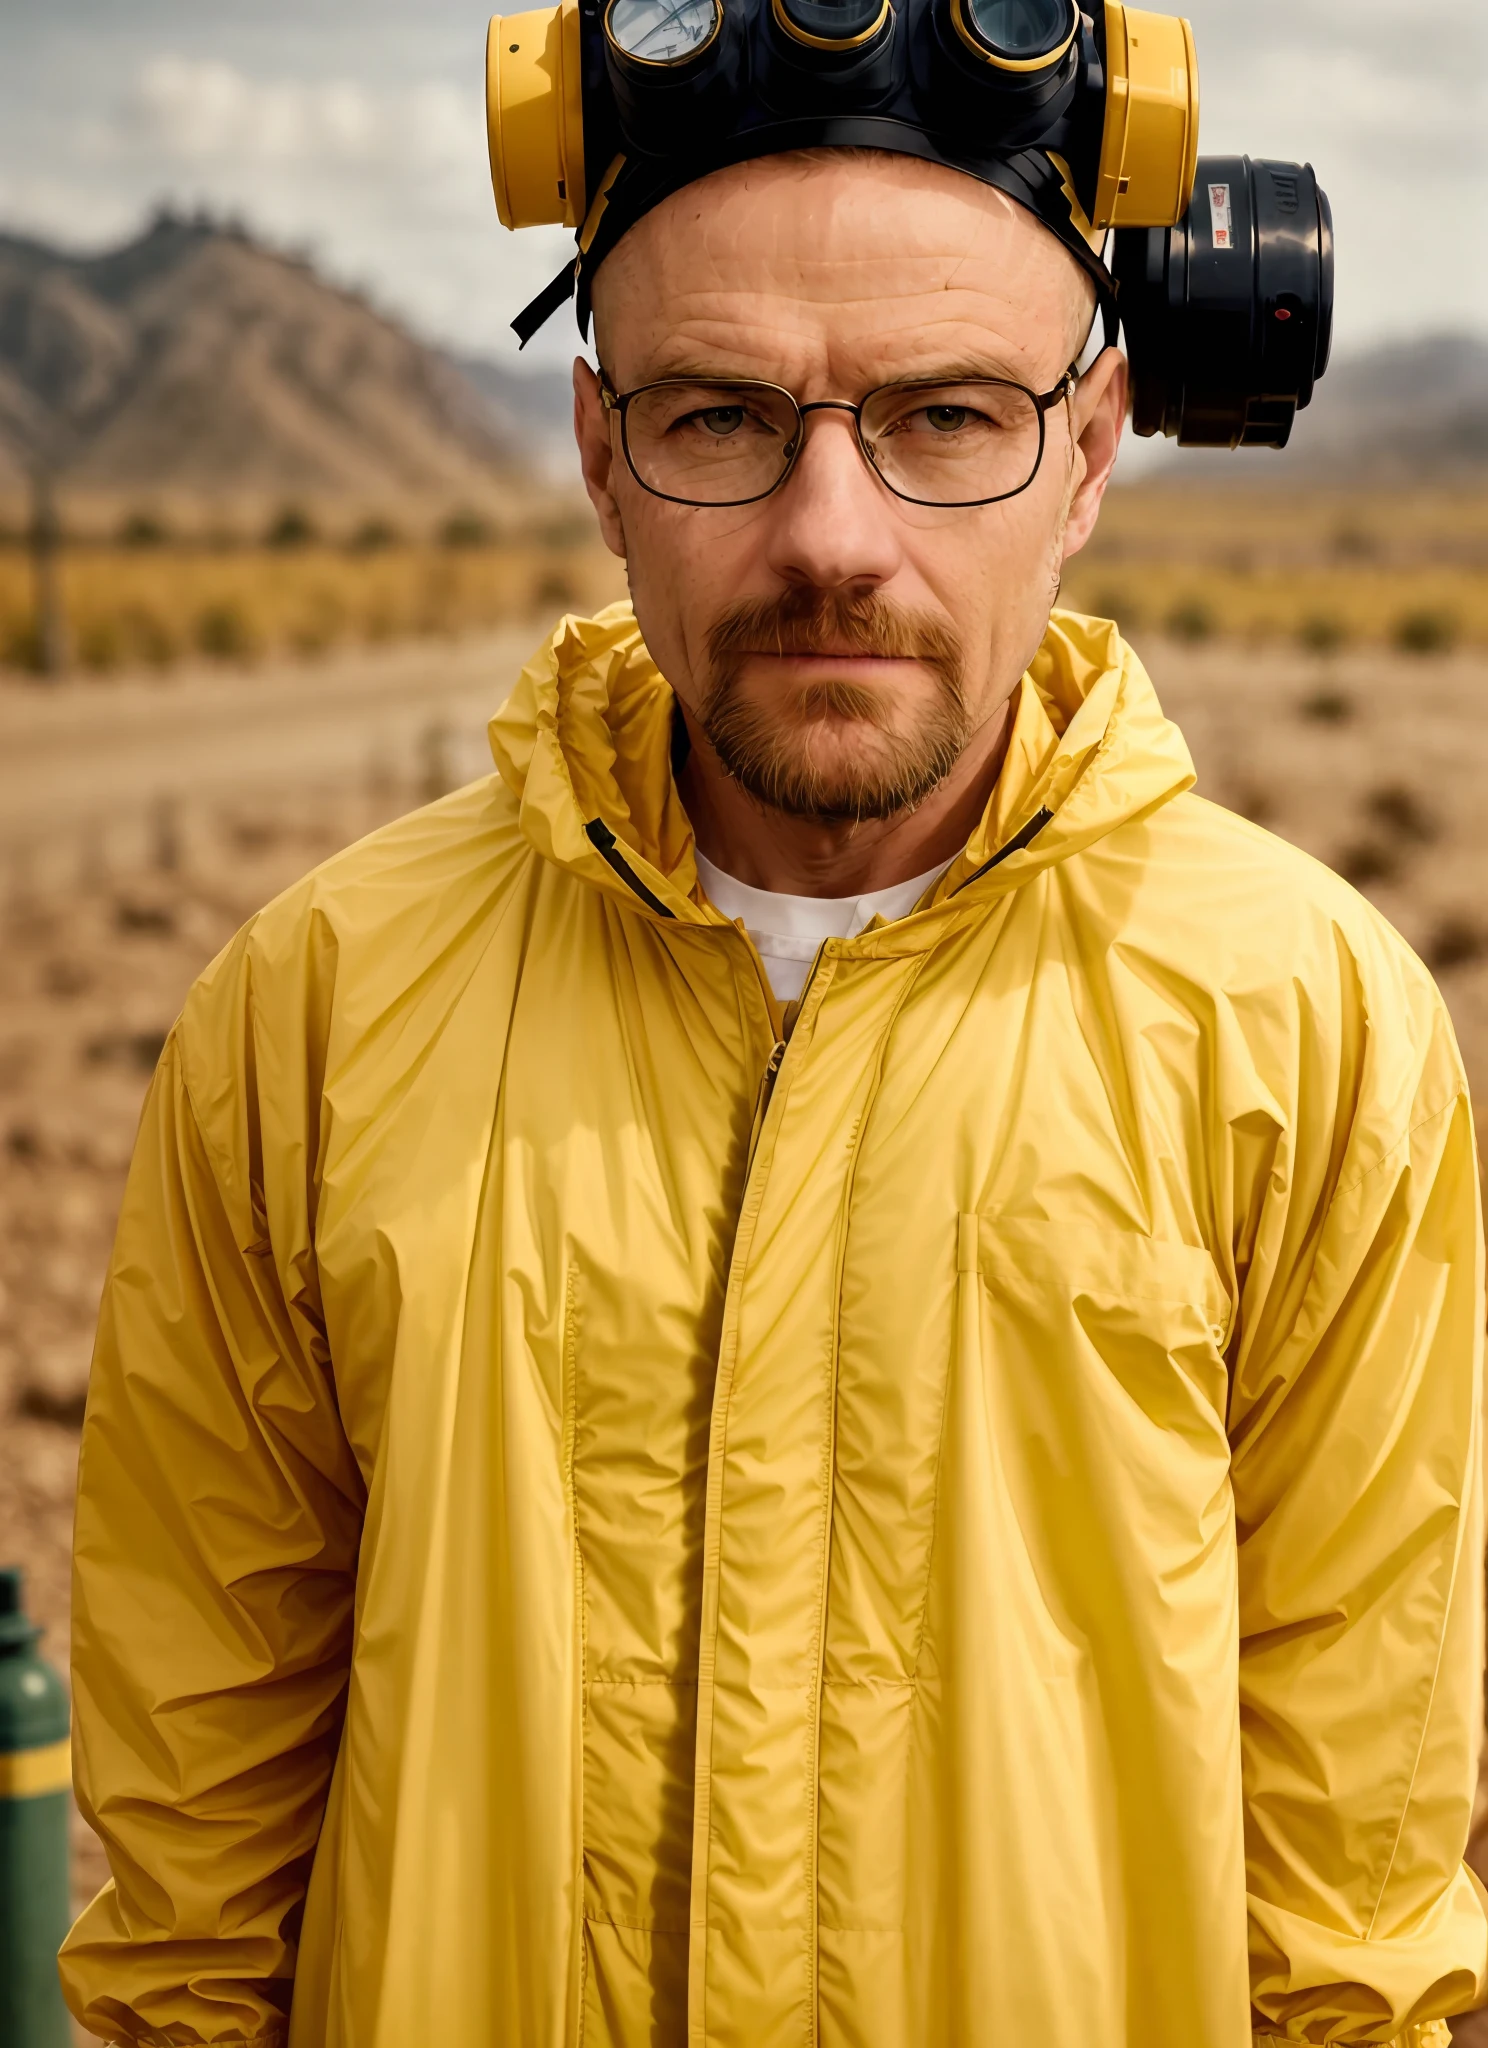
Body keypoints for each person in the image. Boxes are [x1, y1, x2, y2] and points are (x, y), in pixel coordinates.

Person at [61, 148, 1484, 2048]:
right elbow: (191, 1879)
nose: (834, 533)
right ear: (596, 447)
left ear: (1092, 449)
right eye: (720, 416)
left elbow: (1354, 1906)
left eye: (949, 418)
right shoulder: (312, 1012)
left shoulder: (1311, 1032)